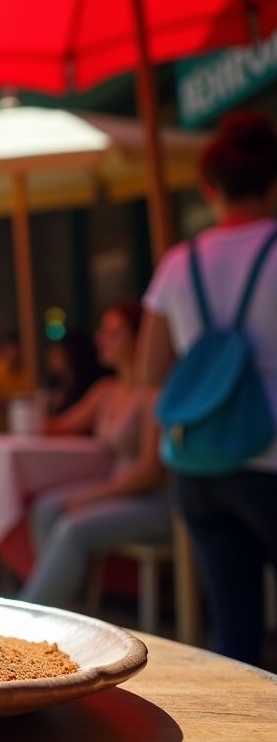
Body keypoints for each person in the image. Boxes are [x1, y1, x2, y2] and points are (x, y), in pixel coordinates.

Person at [138, 111, 277, 666]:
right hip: (270, 461)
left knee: (234, 633)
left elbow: (149, 370)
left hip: (197, 465)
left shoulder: (178, 263)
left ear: (209, 188)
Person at [20, 304, 166, 608]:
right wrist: (29, 411)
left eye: (113, 332)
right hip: (119, 491)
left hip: (155, 499)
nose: (100, 339)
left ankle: (33, 613)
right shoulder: (107, 389)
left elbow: (151, 472)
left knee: (71, 527)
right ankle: (62, 603)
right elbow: (61, 426)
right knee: (45, 507)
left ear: (140, 340)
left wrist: (88, 497)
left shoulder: (154, 392)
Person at [43, 330, 106, 417]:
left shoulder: (91, 387)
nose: (50, 357)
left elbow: (66, 423)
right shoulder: (57, 384)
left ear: (69, 354)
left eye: (57, 353)